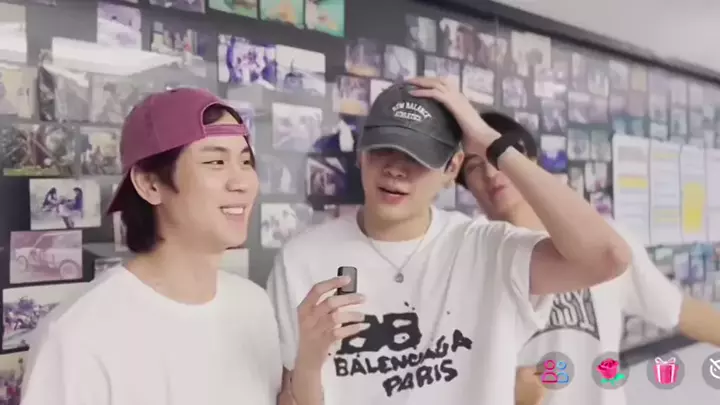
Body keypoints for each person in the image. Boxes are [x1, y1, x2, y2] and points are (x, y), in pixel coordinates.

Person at [267, 77, 632, 405]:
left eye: (417, 156)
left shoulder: (487, 249)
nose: (395, 169)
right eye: (383, 149)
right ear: (362, 154)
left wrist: (490, 141)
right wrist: (308, 365)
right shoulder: (303, 259)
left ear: (452, 168)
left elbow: (608, 257)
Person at [21, 88, 283, 405]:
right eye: (216, 161)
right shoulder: (78, 336)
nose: (241, 182)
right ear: (150, 184)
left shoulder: (254, 306)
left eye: (245, 161)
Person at [455, 112, 720, 405]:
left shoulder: (604, 242)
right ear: (465, 183)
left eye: (499, 157)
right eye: (475, 166)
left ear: (530, 162)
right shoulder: (467, 256)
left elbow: (677, 310)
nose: (491, 173)